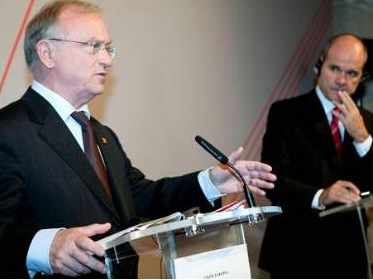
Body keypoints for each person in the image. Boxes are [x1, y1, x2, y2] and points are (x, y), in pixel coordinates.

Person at [0, 0, 276, 278]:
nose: (107, 59)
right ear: (47, 53)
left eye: (108, 48)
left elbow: (140, 198)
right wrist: (43, 248)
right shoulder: (8, 131)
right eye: (93, 46)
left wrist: (209, 182)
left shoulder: (101, 135)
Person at [259, 33, 373, 278]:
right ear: (319, 66)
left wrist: (362, 137)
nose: (342, 80)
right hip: (297, 252)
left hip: (350, 256)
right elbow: (271, 180)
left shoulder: (368, 123)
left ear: (361, 78)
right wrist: (321, 195)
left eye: (352, 73)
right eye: (334, 69)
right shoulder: (285, 113)